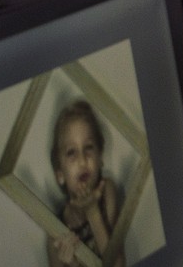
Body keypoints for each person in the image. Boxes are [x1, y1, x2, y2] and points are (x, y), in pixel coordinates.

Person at [48, 100, 125, 267]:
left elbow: (118, 264)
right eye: (71, 152)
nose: (82, 161)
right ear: (60, 174)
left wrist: (92, 211)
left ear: (100, 159)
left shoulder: (108, 192)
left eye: (88, 147)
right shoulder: (55, 232)